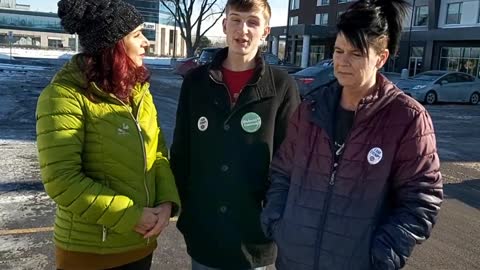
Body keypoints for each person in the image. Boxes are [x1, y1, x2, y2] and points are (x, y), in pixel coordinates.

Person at [261, 0, 443, 269]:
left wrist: (380, 255)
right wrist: (278, 222)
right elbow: (282, 172)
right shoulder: (310, 109)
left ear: (381, 58)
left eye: (356, 54)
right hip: (293, 259)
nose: (342, 62)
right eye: (338, 50)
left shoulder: (407, 118)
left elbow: (421, 200)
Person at [35, 0, 180, 269]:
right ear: (113, 45)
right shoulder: (64, 96)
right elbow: (62, 181)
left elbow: (157, 154)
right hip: (91, 254)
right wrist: (130, 215)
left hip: (140, 245)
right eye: (137, 35)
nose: (146, 43)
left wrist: (167, 202)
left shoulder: (138, 92)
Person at [169, 0, 300, 269]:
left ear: (265, 31)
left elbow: (290, 162)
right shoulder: (196, 83)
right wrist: (185, 210)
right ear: (225, 25)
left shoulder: (282, 86)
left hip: (254, 236)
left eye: (253, 21)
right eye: (236, 19)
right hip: (206, 232)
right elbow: (182, 153)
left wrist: (272, 215)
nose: (243, 29)